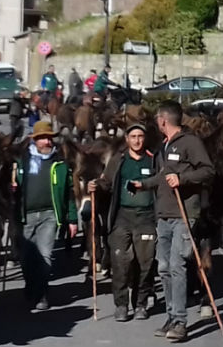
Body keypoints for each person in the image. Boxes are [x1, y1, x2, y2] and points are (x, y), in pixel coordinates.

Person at [133, 100, 214, 341]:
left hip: (184, 214)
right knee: (164, 268)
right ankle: (171, 315)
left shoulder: (191, 142)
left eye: (157, 119)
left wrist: (183, 178)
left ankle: (180, 321)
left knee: (177, 266)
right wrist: (142, 185)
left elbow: (208, 171)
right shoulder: (164, 146)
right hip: (164, 215)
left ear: (163, 120)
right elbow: (162, 175)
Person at [88, 123, 156, 322]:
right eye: (133, 136)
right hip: (122, 217)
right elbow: (106, 183)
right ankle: (121, 305)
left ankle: (141, 304)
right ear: (127, 139)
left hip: (146, 217)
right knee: (120, 263)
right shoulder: (119, 160)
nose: (137, 140)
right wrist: (96, 185)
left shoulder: (153, 161)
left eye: (140, 136)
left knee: (145, 263)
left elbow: (161, 184)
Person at [13, 121, 78, 310]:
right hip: (27, 216)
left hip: (50, 214)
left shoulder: (60, 163)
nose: (46, 142)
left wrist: (72, 219)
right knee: (26, 258)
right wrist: (12, 189)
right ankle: (31, 284)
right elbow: (11, 189)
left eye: (49, 138)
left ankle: (42, 293)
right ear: (35, 140)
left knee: (45, 255)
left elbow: (69, 193)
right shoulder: (22, 161)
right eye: (42, 138)